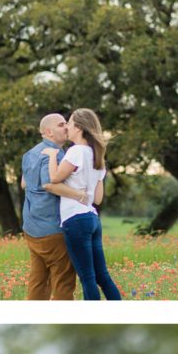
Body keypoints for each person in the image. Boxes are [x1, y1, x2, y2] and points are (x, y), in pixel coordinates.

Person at [41, 108, 122, 301]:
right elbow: (97, 199)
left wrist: (52, 156)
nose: (66, 126)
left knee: (87, 277)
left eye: (69, 123)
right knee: (102, 276)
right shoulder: (98, 157)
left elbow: (54, 178)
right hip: (92, 219)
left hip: (75, 219)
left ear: (78, 127)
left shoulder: (75, 152)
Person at [21, 114, 87, 300]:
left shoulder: (29, 154)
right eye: (61, 124)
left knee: (38, 281)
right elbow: (49, 184)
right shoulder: (57, 155)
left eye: (67, 123)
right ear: (49, 132)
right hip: (53, 229)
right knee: (63, 283)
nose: (66, 127)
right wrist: (80, 195)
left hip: (32, 228)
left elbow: (24, 184)